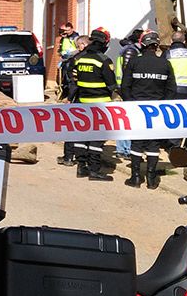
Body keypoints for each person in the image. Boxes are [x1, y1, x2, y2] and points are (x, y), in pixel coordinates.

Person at [120, 31, 177, 189]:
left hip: (137, 108)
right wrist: (163, 105)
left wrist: (130, 103)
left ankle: (136, 177)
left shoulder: (134, 62)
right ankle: (151, 178)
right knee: (154, 143)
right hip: (157, 110)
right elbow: (172, 89)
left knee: (137, 142)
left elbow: (125, 86)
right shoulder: (165, 64)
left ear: (142, 44)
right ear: (156, 45)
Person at [69, 27, 118, 181]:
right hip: (101, 105)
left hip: (82, 103)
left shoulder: (80, 59)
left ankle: (81, 167)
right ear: (105, 42)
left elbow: (75, 79)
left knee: (83, 135)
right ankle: (95, 170)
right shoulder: (103, 60)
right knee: (97, 137)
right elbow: (111, 85)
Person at [56, 35, 90, 165]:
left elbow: (73, 82)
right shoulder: (98, 58)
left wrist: (69, 98)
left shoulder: (76, 59)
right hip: (93, 98)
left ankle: (68, 157)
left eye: (78, 45)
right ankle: (85, 157)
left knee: (72, 127)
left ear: (83, 45)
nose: (77, 47)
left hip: (78, 97)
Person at [166, 30, 187, 152]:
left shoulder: (168, 54)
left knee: (174, 119)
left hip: (173, 91)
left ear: (172, 41)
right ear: (184, 41)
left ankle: (174, 147)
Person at [112, 30, 142, 162]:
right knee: (127, 122)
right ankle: (126, 150)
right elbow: (128, 72)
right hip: (125, 91)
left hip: (121, 89)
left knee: (123, 121)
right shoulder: (131, 51)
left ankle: (122, 149)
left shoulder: (127, 49)